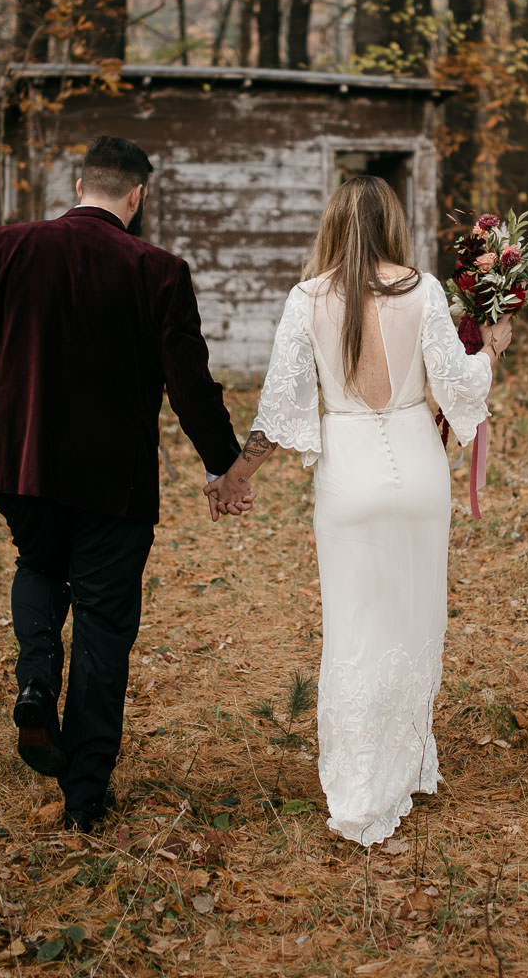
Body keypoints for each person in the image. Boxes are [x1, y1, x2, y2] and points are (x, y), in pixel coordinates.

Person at [0, 135, 253, 832]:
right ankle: (85, 800)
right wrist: (223, 465)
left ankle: (37, 678)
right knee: (106, 630)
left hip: (19, 467)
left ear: (80, 186)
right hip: (115, 484)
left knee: (39, 565)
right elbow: (190, 385)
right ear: (135, 197)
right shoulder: (159, 270)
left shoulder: (5, 247)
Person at [212, 176, 512, 845]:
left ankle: (361, 782)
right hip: (417, 472)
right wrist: (491, 351)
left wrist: (236, 474)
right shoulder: (423, 289)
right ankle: (404, 763)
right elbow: (456, 385)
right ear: (393, 225)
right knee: (414, 618)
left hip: (350, 475)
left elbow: (281, 407)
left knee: (356, 626)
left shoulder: (308, 298)